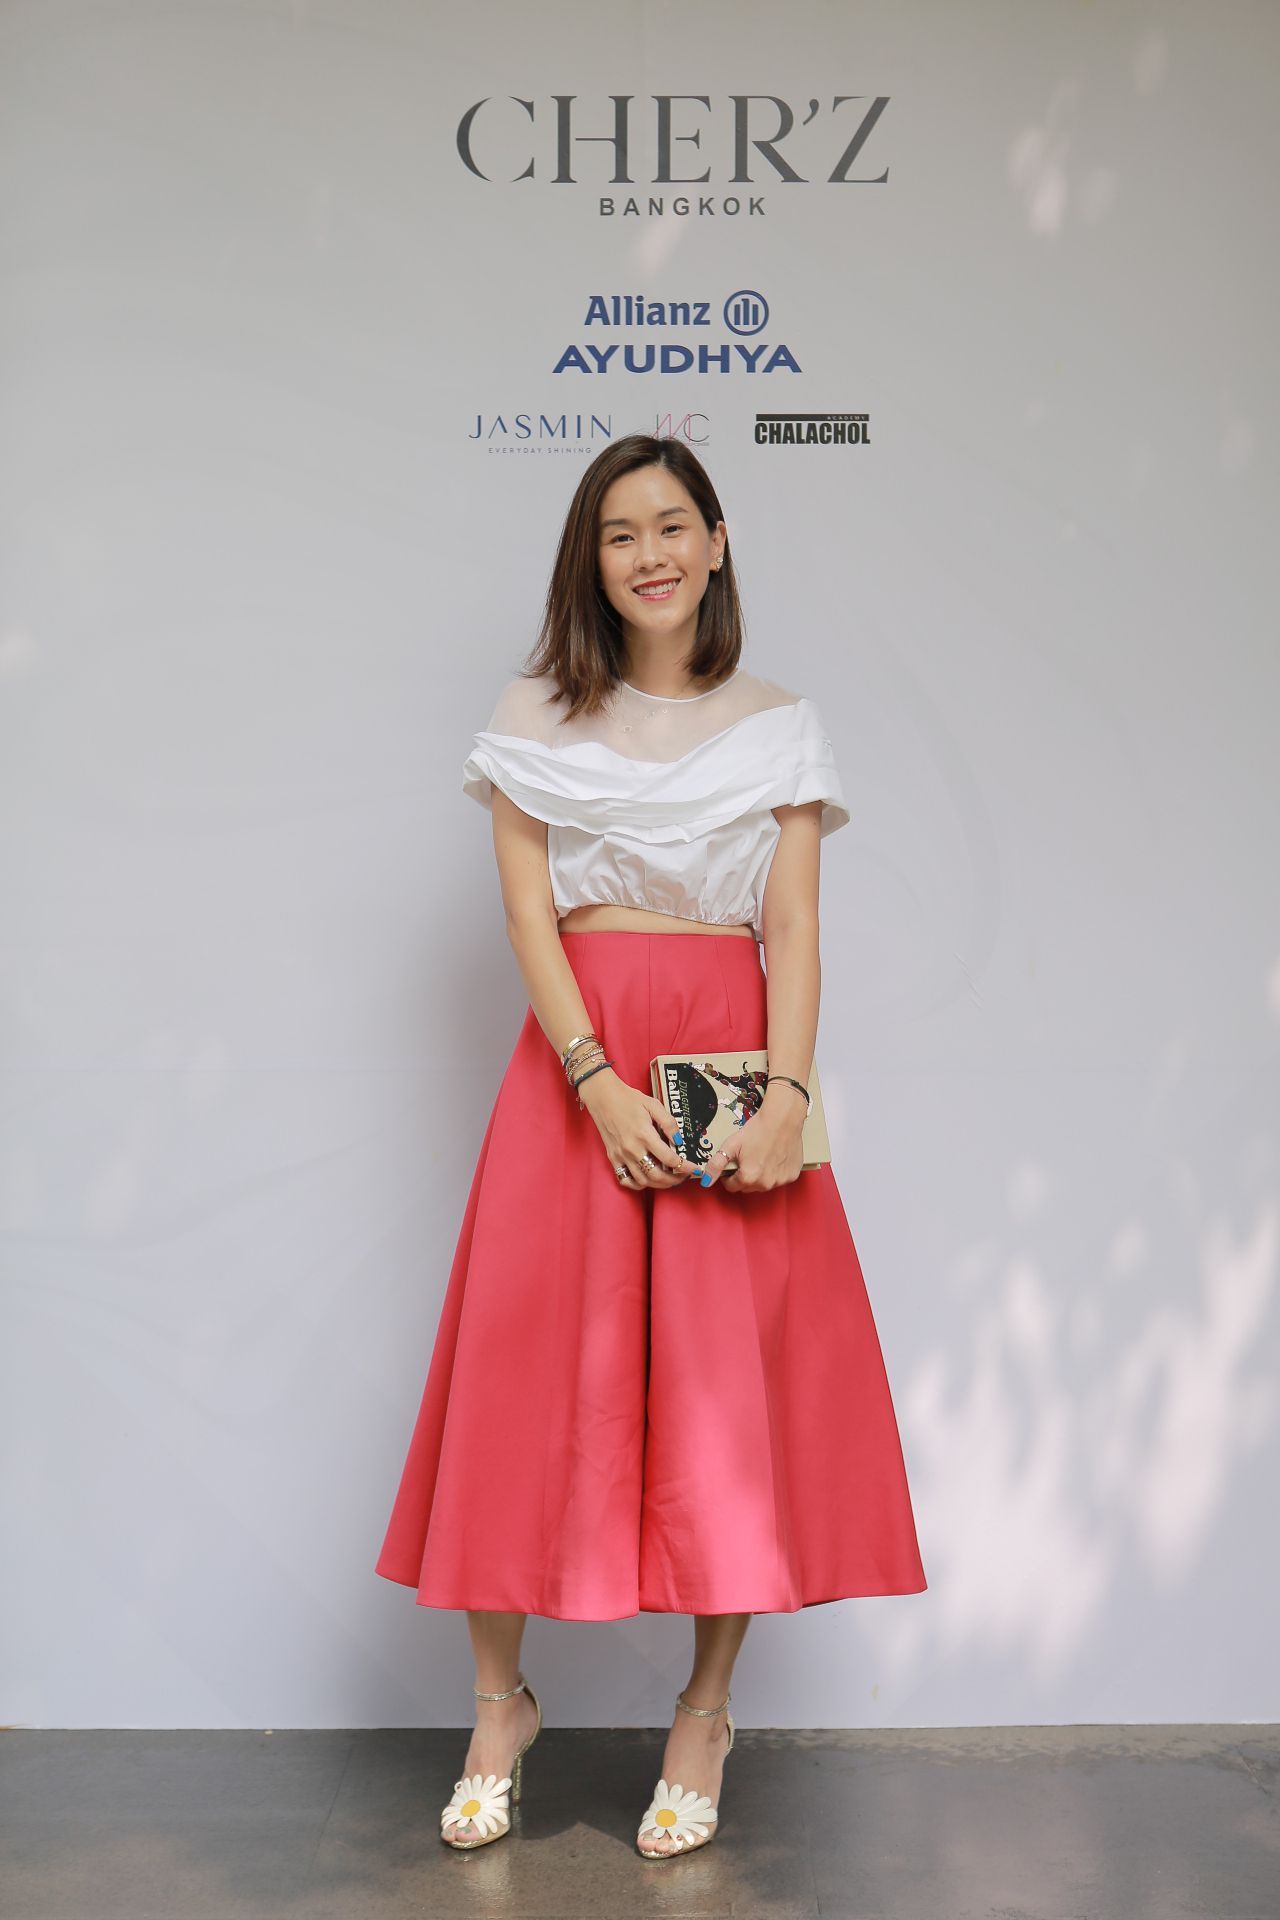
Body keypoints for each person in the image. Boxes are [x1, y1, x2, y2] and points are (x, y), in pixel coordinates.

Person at [374, 432, 927, 1858]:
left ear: (718, 543)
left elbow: (792, 922)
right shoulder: (535, 715)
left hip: (728, 1064)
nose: (650, 553)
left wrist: (788, 1096)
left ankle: (705, 1713)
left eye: (673, 525)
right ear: (593, 561)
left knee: (724, 1389)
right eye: (620, 533)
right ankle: (499, 1706)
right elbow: (527, 915)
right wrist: (594, 1083)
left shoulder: (782, 723)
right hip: (578, 1064)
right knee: (521, 1375)